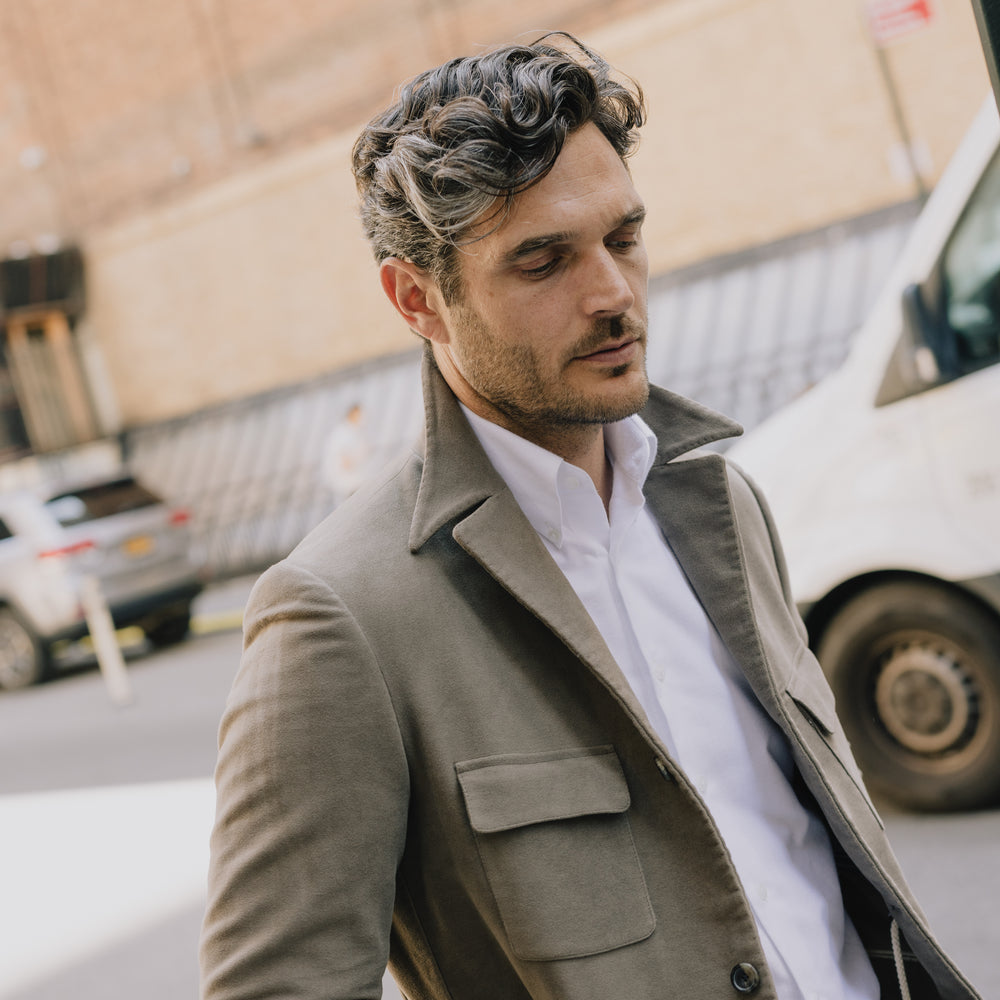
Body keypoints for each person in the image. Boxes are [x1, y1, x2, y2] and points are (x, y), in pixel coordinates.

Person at [200, 34, 980, 1000]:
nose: (612, 294)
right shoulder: (339, 618)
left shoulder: (723, 508)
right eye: (543, 261)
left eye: (623, 238)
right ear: (418, 300)